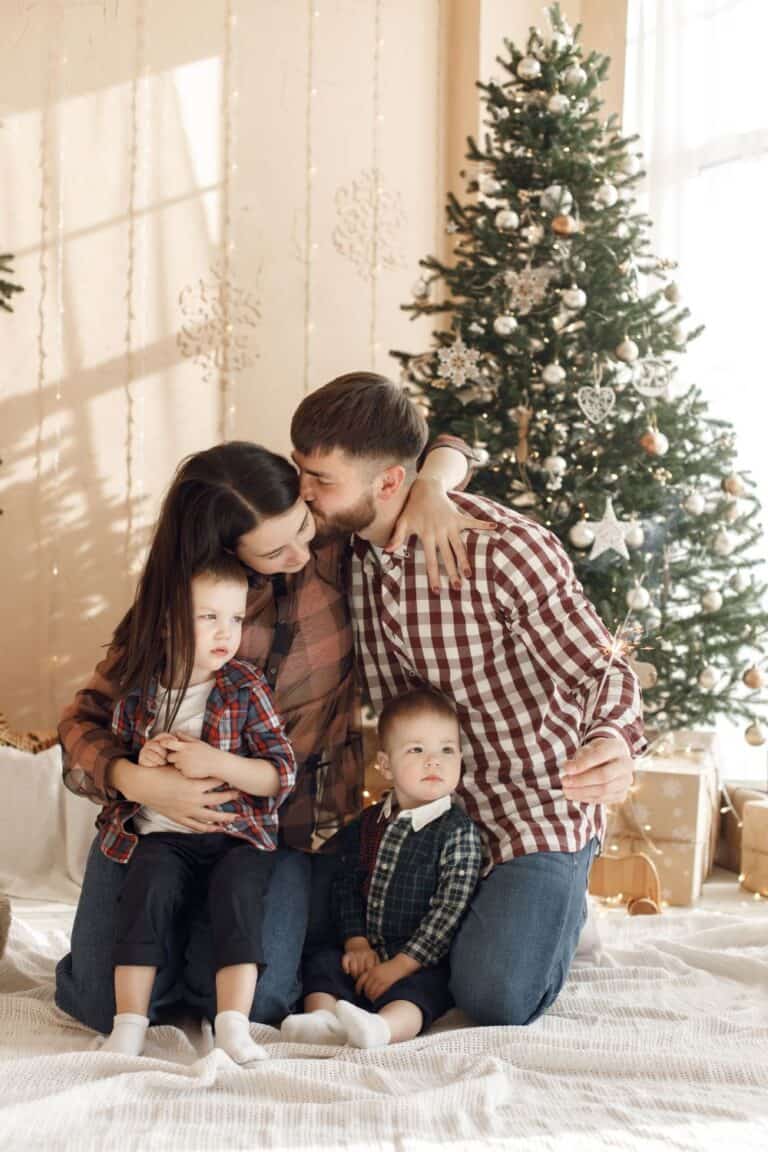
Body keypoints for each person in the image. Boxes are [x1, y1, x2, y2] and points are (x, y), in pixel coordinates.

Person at [56, 436, 486, 1035]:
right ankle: (170, 948)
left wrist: (436, 480)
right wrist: (138, 780)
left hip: (275, 831)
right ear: (225, 552)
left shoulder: (333, 548)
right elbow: (82, 720)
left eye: (302, 529)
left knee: (261, 1003)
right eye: (275, 550)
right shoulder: (186, 609)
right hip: (157, 829)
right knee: (96, 1004)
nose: (301, 554)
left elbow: (441, 445)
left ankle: (188, 958)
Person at [290, 372, 643, 1027]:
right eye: (299, 470)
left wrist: (613, 739)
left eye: (320, 479)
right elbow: (452, 440)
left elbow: (600, 669)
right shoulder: (335, 546)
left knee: (495, 995)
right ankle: (474, 924)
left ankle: (551, 903)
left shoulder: (502, 550)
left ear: (390, 482)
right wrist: (437, 472)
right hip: (421, 810)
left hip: (528, 808)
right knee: (288, 921)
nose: (302, 491)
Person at [97, 554, 296, 1061]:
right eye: (209, 617)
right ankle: (129, 1024)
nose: (225, 632)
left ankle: (233, 1025)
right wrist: (145, 758)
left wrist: (218, 761)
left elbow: (279, 773)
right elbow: (120, 765)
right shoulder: (140, 696)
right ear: (168, 623)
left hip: (234, 837)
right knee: (144, 896)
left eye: (235, 618)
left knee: (238, 899)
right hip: (161, 838)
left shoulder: (245, 686)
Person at [281, 687, 482, 1049]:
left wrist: (401, 965)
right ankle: (320, 1022)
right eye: (417, 750)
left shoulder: (457, 832)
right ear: (386, 765)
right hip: (365, 952)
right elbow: (345, 884)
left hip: (417, 961)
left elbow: (449, 910)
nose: (434, 761)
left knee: (423, 995)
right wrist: (356, 942)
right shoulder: (370, 823)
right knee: (324, 964)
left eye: (447, 750)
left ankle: (381, 1030)